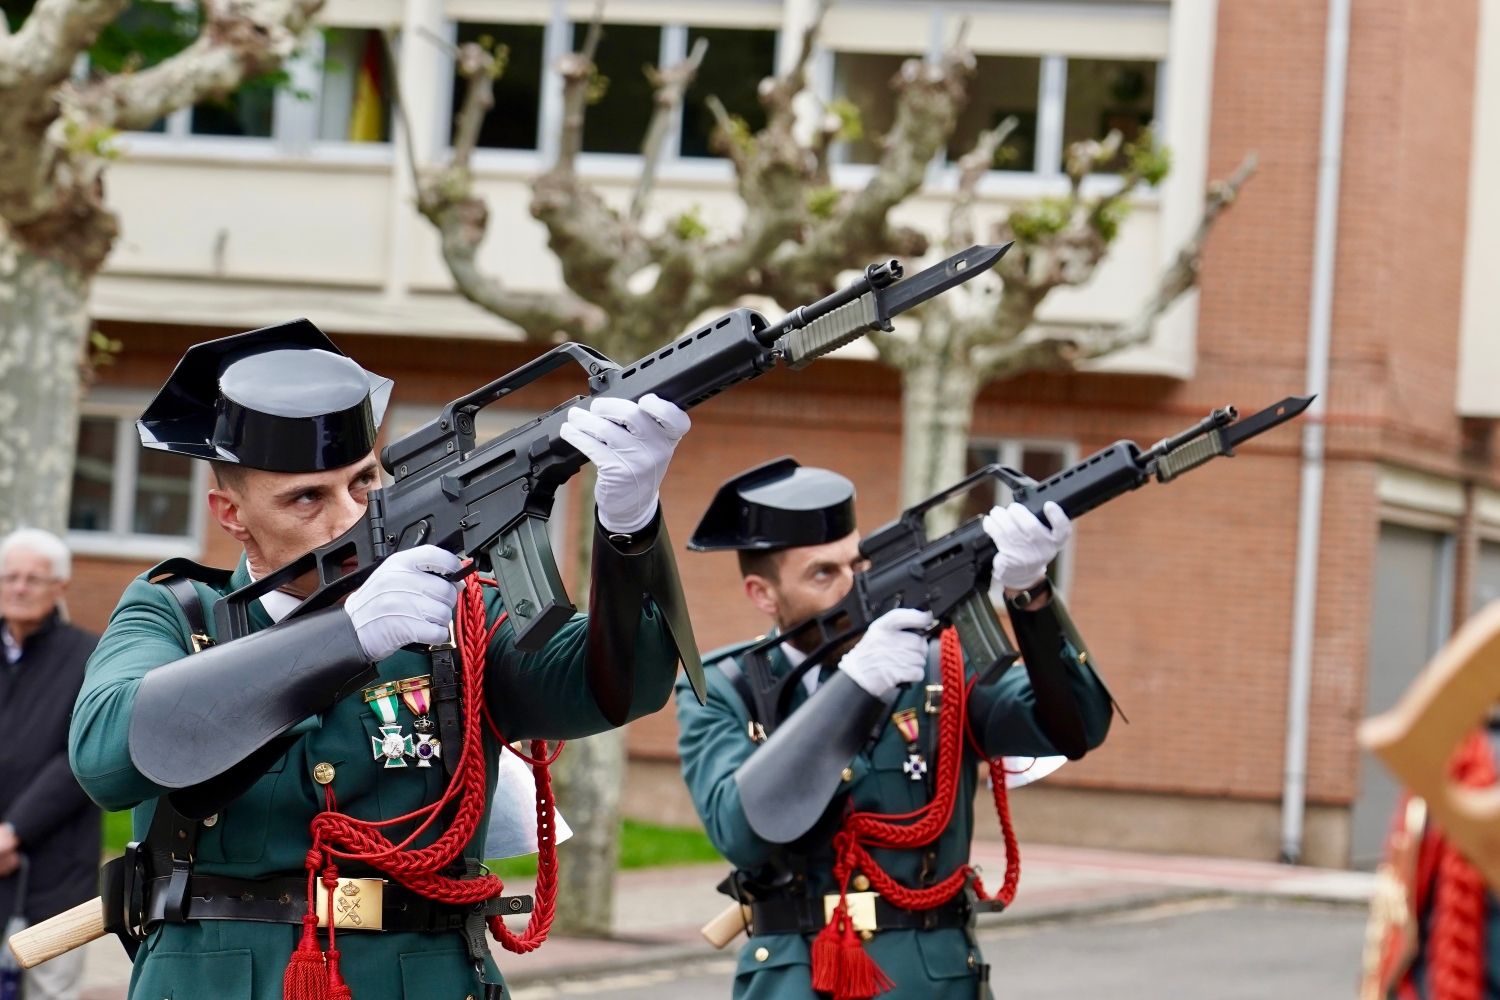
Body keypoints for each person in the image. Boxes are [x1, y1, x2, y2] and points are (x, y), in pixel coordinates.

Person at [67, 320, 695, 999]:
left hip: (422, 976)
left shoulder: (455, 614)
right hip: (220, 977)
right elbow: (106, 756)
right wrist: (346, 638)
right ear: (230, 513)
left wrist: (628, 528)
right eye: (307, 497)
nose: (348, 517)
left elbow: (610, 689)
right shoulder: (181, 614)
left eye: (364, 481)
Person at [675, 458, 1114, 1000]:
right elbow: (741, 831)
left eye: (857, 565)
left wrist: (1031, 594)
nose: (851, 587)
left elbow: (1076, 727)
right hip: (799, 980)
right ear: (762, 595)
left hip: (934, 979)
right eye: (822, 574)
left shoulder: (940, 664)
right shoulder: (725, 686)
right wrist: (856, 686)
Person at [0, 528, 100, 1000]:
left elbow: (81, 756)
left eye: (33, 579)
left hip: (58, 870)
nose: (19, 587)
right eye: (10, 576)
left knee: (49, 992)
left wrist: (13, 830)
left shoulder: (89, 657)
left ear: (60, 586)